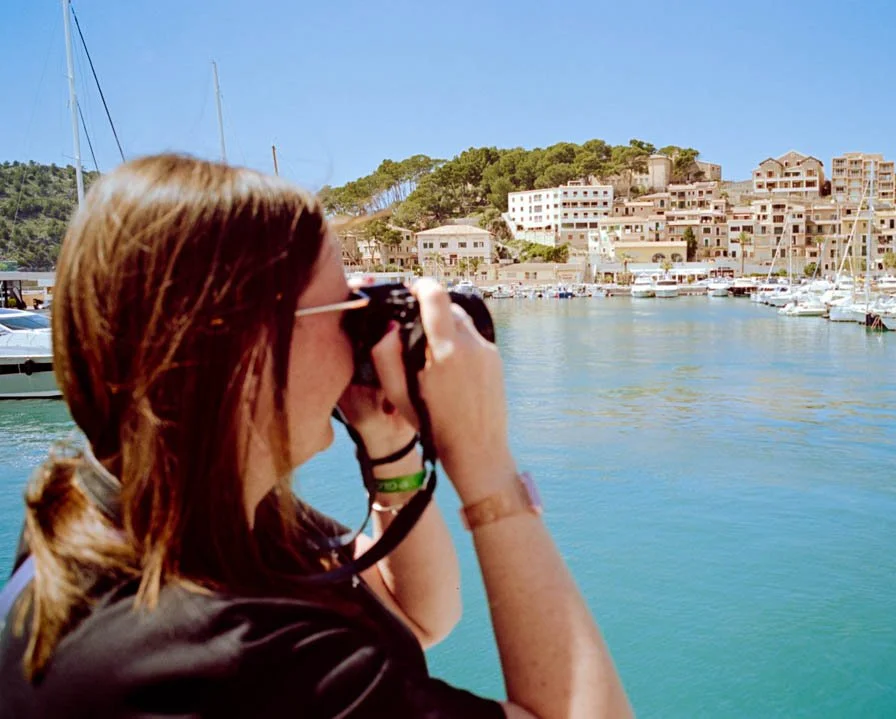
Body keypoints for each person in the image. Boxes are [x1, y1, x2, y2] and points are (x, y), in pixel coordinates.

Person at [0, 155, 632, 718]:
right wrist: (484, 460)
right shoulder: (236, 662)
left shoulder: (106, 505)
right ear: (249, 348)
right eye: (343, 311)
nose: (362, 335)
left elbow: (418, 616)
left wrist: (388, 442)